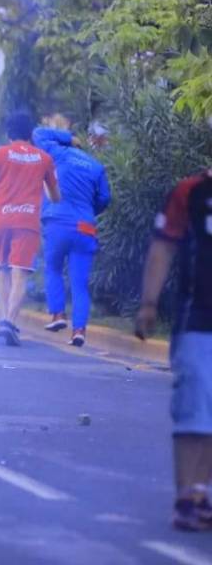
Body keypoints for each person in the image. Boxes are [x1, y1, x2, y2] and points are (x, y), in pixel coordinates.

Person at [135, 168, 212, 531]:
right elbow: (163, 246)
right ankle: (187, 497)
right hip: (197, 318)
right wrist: (149, 304)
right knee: (195, 407)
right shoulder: (190, 192)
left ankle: (201, 491)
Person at [0, 111, 60, 346]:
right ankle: (10, 322)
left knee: (2, 269)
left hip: (0, 220)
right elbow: (55, 197)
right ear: (30, 133)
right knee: (20, 274)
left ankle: (4, 318)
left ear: (8, 133)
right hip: (27, 221)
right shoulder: (44, 158)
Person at [33, 125, 112, 346]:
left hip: (57, 222)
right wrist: (89, 211)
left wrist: (68, 137)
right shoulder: (96, 166)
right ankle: (79, 330)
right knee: (80, 283)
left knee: (54, 268)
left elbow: (38, 133)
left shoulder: (59, 153)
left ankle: (58, 315)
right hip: (85, 228)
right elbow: (105, 198)